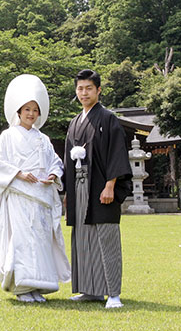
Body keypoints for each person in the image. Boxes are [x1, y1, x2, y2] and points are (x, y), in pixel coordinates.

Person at [0, 74, 71, 303]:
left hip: (41, 195)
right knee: (22, 241)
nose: (31, 114)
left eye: (35, 110)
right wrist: (19, 173)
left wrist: (54, 174)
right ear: (18, 111)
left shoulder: (43, 139)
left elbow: (55, 161)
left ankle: (37, 286)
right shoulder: (7, 136)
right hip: (19, 195)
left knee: (40, 241)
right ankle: (22, 288)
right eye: (27, 109)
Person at [64, 69, 132, 309]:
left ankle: (113, 293)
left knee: (106, 237)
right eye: (80, 88)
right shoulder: (74, 123)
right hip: (80, 186)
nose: (84, 93)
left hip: (101, 187)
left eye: (89, 88)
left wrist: (110, 185)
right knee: (83, 239)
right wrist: (68, 193)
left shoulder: (107, 118)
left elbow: (116, 152)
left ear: (98, 90)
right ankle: (90, 290)